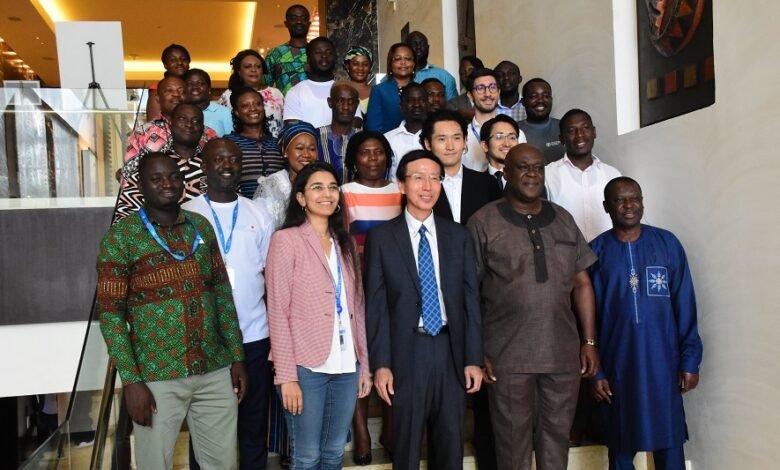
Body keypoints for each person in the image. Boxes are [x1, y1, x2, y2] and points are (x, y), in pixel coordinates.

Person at [96, 152, 247, 469]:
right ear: (140, 186)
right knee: (155, 464)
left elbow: (221, 293)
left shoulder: (201, 227)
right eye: (157, 178)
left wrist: (236, 356)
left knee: (223, 464)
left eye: (174, 177)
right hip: (156, 376)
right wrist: (132, 380)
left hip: (215, 368)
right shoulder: (121, 237)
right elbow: (110, 316)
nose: (168, 183)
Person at [467, 143, 600, 470]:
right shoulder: (483, 222)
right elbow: (467, 291)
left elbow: (582, 283)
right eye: (523, 167)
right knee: (513, 446)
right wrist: (476, 350)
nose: (532, 174)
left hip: (561, 353)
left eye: (538, 167)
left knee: (557, 440)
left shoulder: (564, 220)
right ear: (506, 173)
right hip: (506, 356)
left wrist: (589, 342)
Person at [365, 150, 483, 470]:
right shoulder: (381, 238)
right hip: (407, 352)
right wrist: (382, 364)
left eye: (435, 178)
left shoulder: (458, 235)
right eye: (419, 178)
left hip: (451, 351)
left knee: (450, 448)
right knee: (405, 448)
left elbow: (470, 302)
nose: (428, 186)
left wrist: (473, 359)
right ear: (402, 185)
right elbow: (375, 307)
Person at [589, 177, 703, 470]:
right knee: (621, 448)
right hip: (617, 370)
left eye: (635, 199)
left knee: (669, 446)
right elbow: (586, 320)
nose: (629, 206)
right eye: (620, 200)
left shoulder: (667, 244)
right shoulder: (595, 253)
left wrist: (690, 360)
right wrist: (596, 372)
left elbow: (685, 305)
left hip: (664, 366)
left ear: (642, 201)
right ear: (606, 206)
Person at [265, 161, 372, 469]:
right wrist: (286, 377)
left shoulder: (346, 243)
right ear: (301, 198)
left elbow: (358, 308)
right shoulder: (286, 241)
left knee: (335, 452)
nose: (327, 194)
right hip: (305, 367)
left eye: (333, 187)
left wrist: (363, 365)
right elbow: (278, 311)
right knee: (307, 455)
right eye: (317, 187)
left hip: (346, 364)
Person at [183, 139, 275, 470]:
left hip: (254, 337)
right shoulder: (187, 215)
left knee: (253, 426)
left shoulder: (258, 213)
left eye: (234, 159)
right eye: (219, 158)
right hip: (207, 342)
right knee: (206, 432)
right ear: (204, 165)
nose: (227, 164)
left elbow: (269, 273)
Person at [340, 130, 403, 465]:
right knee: (360, 361)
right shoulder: (344, 193)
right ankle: (361, 429)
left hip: (398, 288)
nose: (373, 159)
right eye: (365, 153)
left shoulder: (401, 191)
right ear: (354, 159)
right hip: (359, 286)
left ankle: (392, 426)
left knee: (393, 358)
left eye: (379, 152)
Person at [115, 103, 215, 223]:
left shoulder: (213, 167)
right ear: (171, 124)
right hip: (154, 238)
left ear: (202, 128)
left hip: (208, 237)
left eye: (196, 121)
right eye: (182, 119)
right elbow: (124, 218)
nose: (189, 125)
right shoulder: (151, 165)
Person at [545, 108, 621, 241]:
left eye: (585, 128)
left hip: (606, 255)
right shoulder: (548, 174)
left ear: (594, 132)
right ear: (561, 138)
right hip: (567, 257)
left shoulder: (612, 174)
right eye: (571, 130)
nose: (579, 134)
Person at [422, 109, 502, 224]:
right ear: (428, 144)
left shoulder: (487, 183)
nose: (450, 146)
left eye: (456, 138)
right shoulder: (419, 187)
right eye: (442, 139)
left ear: (465, 142)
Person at [124, 76, 217, 172]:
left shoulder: (208, 133)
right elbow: (129, 175)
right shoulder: (141, 134)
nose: (176, 94)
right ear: (158, 98)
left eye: (182, 91)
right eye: (169, 90)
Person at [254, 122, 318, 229]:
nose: (306, 154)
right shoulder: (271, 186)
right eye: (299, 148)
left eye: (312, 149)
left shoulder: (322, 182)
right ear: (285, 152)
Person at [225, 87, 285, 198]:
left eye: (257, 104)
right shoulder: (228, 143)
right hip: (244, 210)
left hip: (278, 211)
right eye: (245, 106)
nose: (253, 109)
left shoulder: (277, 143)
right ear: (237, 112)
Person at [463, 68, 521, 172]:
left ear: (498, 92)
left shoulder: (515, 134)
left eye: (492, 87)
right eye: (480, 88)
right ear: (470, 96)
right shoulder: (462, 136)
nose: (488, 94)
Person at [284, 37, 350, 128]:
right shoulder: (295, 93)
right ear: (308, 59)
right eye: (318, 52)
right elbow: (294, 133)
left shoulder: (347, 91)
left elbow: (354, 128)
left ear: (335, 58)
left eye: (329, 52)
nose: (324, 56)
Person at [218, 49, 285, 138]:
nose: (254, 70)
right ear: (239, 72)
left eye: (258, 66)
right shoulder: (228, 95)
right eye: (247, 67)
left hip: (274, 147)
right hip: (240, 147)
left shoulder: (276, 93)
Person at [316, 82, 363, 183]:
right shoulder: (315, 137)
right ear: (330, 102)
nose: (346, 107)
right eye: (340, 101)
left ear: (357, 104)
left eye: (351, 102)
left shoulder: (365, 139)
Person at [365, 43, 415, 133]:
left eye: (407, 58)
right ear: (390, 64)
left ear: (414, 64)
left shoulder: (421, 90)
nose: (403, 62)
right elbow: (374, 129)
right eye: (397, 59)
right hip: (387, 144)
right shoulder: (379, 91)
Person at [384, 82, 428, 181]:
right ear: (401, 106)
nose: (417, 104)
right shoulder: (387, 139)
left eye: (422, 100)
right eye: (411, 100)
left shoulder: (436, 137)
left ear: (428, 105)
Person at [265, 4, 311, 95]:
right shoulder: (275, 54)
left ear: (309, 23)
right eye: (293, 18)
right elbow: (264, 88)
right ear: (286, 23)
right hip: (285, 108)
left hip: (314, 108)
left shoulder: (317, 53)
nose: (299, 21)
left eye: (304, 18)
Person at [517, 78, 564, 165]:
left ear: (551, 100)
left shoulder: (564, 127)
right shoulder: (514, 130)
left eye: (546, 96)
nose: (540, 100)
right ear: (523, 102)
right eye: (534, 96)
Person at [406, 31, 458, 101]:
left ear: (428, 48)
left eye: (422, 44)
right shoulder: (396, 77)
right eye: (414, 44)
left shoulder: (445, 77)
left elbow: (452, 108)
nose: (418, 47)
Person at [145, 44, 190, 121]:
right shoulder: (157, 89)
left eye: (183, 59)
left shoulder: (193, 88)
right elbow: (153, 123)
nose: (179, 62)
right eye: (173, 60)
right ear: (165, 65)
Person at [184, 68, 234, 137]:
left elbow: (231, 141)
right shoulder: (178, 113)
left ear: (209, 90)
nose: (195, 87)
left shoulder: (225, 112)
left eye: (201, 83)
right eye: (190, 84)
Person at [480, 114, 521, 192]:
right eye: (499, 137)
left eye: (512, 137)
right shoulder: (475, 183)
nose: (507, 144)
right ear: (485, 146)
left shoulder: (529, 180)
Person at [446, 55, 483, 120]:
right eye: (462, 73)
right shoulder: (453, 104)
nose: (467, 75)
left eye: (470, 70)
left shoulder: (493, 97)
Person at [344, 46, 374, 116]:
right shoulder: (341, 92)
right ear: (347, 66)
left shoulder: (377, 92)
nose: (360, 68)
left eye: (365, 64)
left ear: (370, 68)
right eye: (355, 64)